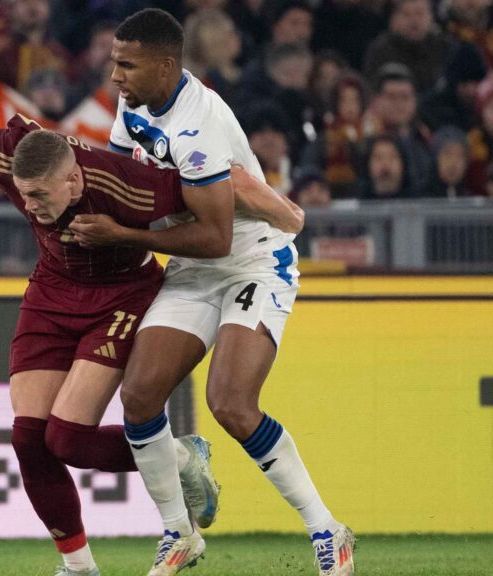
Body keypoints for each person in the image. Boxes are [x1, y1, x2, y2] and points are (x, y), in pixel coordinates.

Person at [0, 91, 297, 576]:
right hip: (53, 293)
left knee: (69, 440)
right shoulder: (6, 155)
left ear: (74, 179)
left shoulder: (129, 183)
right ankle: (78, 567)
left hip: (121, 298)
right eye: (23, 193)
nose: (31, 205)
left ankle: (183, 454)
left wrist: (286, 214)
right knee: (29, 438)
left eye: (41, 194)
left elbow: (219, 183)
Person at [97, 9, 352, 575]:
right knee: (138, 399)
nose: (115, 75)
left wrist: (124, 234)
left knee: (231, 405)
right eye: (115, 62)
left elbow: (215, 237)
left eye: (127, 65)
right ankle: (178, 533)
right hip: (191, 266)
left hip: (250, 263)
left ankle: (327, 530)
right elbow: (120, 174)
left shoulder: (199, 126)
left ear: (166, 66)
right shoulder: (134, 100)